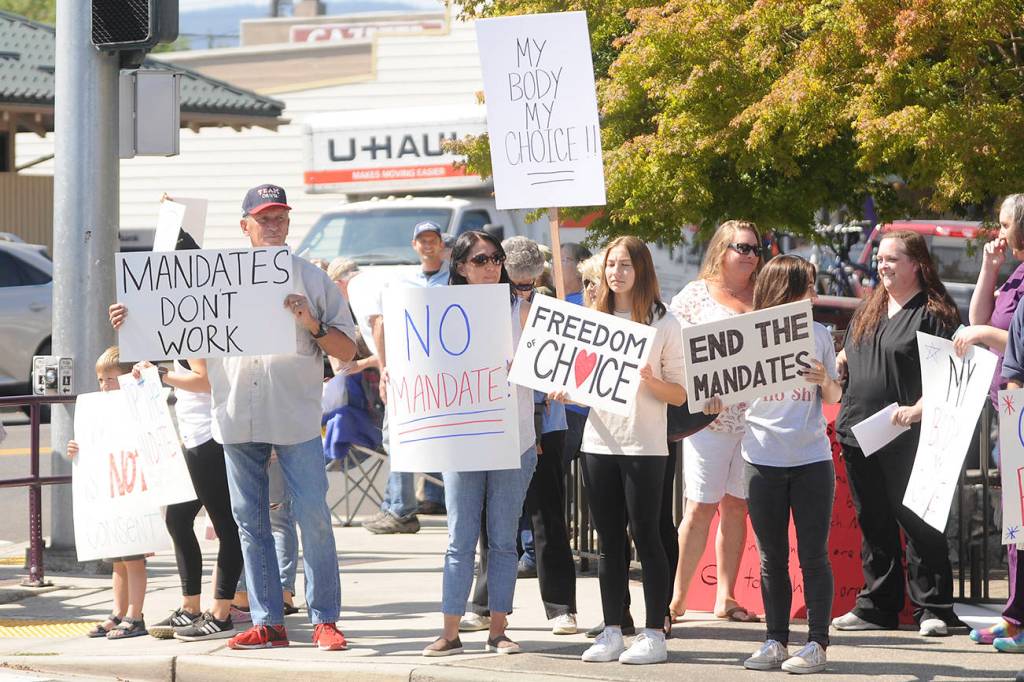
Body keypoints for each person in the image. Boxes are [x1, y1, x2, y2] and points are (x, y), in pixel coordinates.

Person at [112, 183, 357, 650]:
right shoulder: (215, 279)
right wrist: (134, 321)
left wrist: (312, 325)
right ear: (245, 225)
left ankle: (325, 617)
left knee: (313, 517)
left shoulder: (312, 279)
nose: (273, 225)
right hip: (236, 417)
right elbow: (172, 328)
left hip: (294, 417)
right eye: (264, 218)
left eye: (281, 217)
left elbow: (346, 353)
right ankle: (268, 621)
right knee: (249, 523)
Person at [553, 236, 686, 665]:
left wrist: (650, 381)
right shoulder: (596, 319)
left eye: (625, 264)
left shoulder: (663, 322)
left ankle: (653, 632)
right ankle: (612, 629)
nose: (616, 272)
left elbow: (680, 394)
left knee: (646, 536)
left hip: (645, 446)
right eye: (611, 264)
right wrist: (565, 393)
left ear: (642, 269)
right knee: (608, 540)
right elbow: (586, 386)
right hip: (599, 443)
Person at [833, 229, 962, 637]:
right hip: (860, 431)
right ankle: (878, 605)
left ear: (917, 265)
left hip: (911, 435)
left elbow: (952, 375)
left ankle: (933, 608)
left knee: (919, 520)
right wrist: (841, 355)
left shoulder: (936, 313)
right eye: (880, 260)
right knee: (874, 521)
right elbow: (855, 348)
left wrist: (922, 408)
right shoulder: (871, 306)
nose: (882, 266)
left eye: (891, 259)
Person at [420, 231, 538, 657]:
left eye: (496, 259)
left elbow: (542, 368)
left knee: (504, 538)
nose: (491, 266)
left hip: (515, 437)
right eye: (481, 259)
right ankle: (450, 632)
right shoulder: (436, 311)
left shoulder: (524, 309)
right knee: (460, 538)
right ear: (462, 267)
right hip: (463, 441)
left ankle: (498, 630)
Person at [461, 237, 578, 636]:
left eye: (531, 283)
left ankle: (560, 606)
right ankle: (483, 602)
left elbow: (563, 365)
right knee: (490, 521)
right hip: (494, 423)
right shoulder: (481, 310)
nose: (525, 290)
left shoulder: (547, 310)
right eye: (518, 284)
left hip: (548, 422)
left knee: (548, 515)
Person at [729, 256, 842, 674]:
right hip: (762, 459)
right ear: (785, 290)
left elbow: (833, 396)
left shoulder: (818, 335)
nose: (814, 296)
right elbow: (723, 387)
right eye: (807, 288)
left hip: (811, 459)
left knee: (814, 556)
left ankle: (817, 643)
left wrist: (824, 379)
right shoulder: (747, 336)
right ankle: (775, 639)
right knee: (771, 557)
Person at [668, 220, 765, 624]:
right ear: (721, 249)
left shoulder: (766, 295)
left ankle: (725, 596)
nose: (750, 255)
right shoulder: (694, 295)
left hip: (755, 420)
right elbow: (671, 348)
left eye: (756, 248)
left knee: (737, 507)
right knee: (700, 508)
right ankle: (676, 598)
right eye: (742, 247)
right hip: (706, 421)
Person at [363, 220, 449, 534]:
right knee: (397, 436)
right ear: (414, 245)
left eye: (433, 240)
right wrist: (385, 368)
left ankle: (428, 498)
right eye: (422, 240)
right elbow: (380, 324)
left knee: (445, 437)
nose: (428, 245)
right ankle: (400, 506)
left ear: (441, 244)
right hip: (408, 372)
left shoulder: (454, 280)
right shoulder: (399, 282)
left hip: (445, 372)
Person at [967, 194, 1024, 651]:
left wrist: (984, 337)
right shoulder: (1016, 274)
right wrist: (990, 268)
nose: (998, 232)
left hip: (1018, 411)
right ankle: (1014, 617)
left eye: (1004, 224)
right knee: (1015, 525)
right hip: (1009, 410)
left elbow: (996, 335)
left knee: (1021, 522)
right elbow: (977, 316)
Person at [71, 347, 149, 640]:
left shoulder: (136, 405)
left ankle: (135, 614)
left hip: (131, 490)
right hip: (111, 491)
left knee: (133, 557)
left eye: (110, 379)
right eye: (101, 380)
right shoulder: (99, 411)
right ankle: (119, 611)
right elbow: (95, 444)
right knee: (117, 558)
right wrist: (77, 449)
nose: (104, 386)